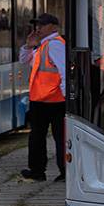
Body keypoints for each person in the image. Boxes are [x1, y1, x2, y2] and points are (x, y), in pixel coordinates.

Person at [19, 14, 65, 183]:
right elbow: (23, 60)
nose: (38, 28)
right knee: (37, 137)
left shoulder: (55, 45)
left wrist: (67, 96)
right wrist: (28, 46)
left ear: (54, 26)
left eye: (42, 25)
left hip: (56, 100)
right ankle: (37, 171)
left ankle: (63, 172)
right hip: (39, 100)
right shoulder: (41, 46)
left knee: (59, 137)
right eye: (37, 25)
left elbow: (64, 71)